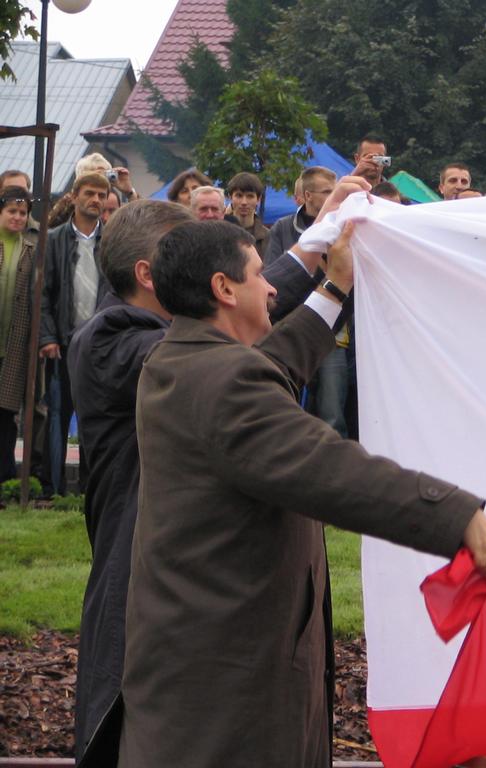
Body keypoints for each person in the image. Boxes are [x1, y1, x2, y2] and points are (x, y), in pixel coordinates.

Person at [115, 212, 486, 767]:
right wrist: (454, 515)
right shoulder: (224, 382)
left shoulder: (182, 360)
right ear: (224, 288)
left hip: (200, 669)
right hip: (229, 694)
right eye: (258, 274)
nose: (271, 287)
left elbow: (270, 367)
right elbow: (327, 468)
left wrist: (335, 286)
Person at [68, 194, 336, 765]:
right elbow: (246, 363)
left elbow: (245, 326)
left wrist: (320, 236)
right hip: (147, 598)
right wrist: (330, 285)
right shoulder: (115, 340)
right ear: (150, 274)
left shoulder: (175, 339)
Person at [39, 172, 111, 495]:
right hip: (62, 343)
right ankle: (52, 489)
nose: (95, 200)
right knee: (57, 415)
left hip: (99, 345)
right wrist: (47, 337)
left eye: (101, 195)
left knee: (94, 418)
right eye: (89, 193)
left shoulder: (111, 241)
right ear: (75, 195)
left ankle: (89, 490)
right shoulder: (53, 239)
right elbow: (42, 293)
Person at [0, 186, 34, 482]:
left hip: (14, 345)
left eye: (23, 213)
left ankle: (6, 477)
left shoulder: (31, 250)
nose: (18, 217)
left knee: (6, 413)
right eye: (12, 211)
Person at [265, 166, 337, 265]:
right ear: (308, 195)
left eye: (335, 192)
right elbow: (271, 270)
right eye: (327, 192)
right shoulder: (282, 227)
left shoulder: (342, 226)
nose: (334, 196)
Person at [226, 171, 270, 259]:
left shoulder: (269, 237)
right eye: (239, 196)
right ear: (230, 197)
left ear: (258, 199)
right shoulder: (218, 232)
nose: (244, 202)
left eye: (250, 196)